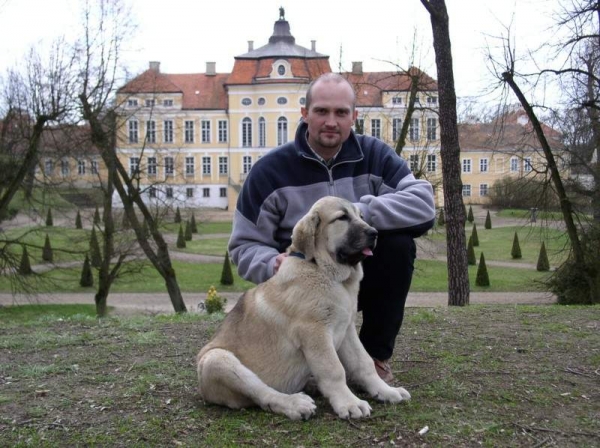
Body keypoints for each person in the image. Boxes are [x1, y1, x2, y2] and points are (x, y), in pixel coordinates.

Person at [228, 73, 435, 383]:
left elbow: (423, 203)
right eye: (321, 111)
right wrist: (274, 263)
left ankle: (373, 358)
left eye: (340, 113)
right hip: (300, 290)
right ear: (305, 114)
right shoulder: (269, 172)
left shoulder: (375, 156)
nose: (331, 121)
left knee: (398, 246)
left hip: (358, 280)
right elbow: (243, 246)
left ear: (354, 116)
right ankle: (296, 362)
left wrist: (357, 213)